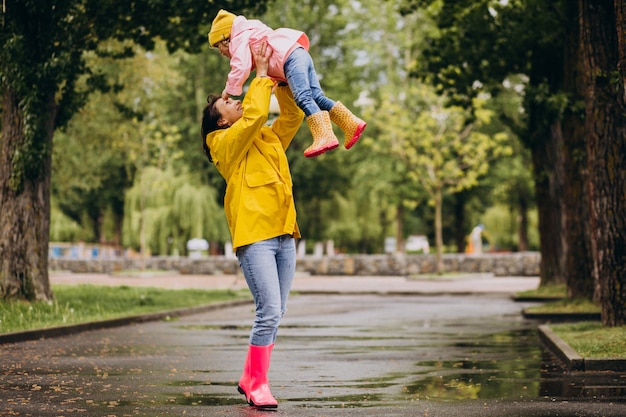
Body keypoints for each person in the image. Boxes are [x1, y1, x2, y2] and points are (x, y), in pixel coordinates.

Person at [201, 41, 301, 409]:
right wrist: (259, 76)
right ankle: (257, 384)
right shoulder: (222, 143)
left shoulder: (264, 137)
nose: (236, 100)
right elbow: (256, 114)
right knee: (269, 311)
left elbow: (289, 120)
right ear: (221, 120)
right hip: (255, 236)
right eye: (228, 103)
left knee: (277, 311)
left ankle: (250, 377)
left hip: (283, 233)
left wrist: (283, 80)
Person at [208, 9, 366, 158]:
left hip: (289, 60)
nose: (222, 53)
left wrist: (228, 90)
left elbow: (241, 67)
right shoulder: (250, 31)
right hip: (298, 53)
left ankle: (324, 135)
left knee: (303, 98)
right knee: (317, 97)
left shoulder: (238, 40)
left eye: (218, 47)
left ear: (226, 39)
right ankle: (351, 123)